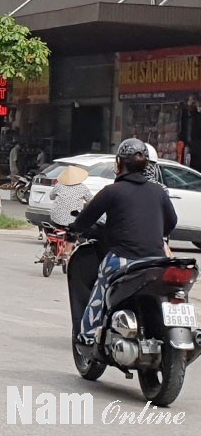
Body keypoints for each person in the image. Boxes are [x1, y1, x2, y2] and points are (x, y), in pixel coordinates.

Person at [69, 138, 177, 346]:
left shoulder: (111, 191)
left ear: (119, 163)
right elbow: (171, 224)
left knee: (101, 286)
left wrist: (73, 229)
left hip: (123, 259)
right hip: (157, 261)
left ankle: (88, 336)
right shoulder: (159, 192)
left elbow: (84, 221)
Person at [49, 166, 91, 258]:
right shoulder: (83, 188)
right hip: (72, 219)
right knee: (73, 233)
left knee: (55, 227)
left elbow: (51, 197)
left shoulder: (59, 185)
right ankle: (67, 252)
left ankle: (52, 245)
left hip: (56, 217)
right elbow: (90, 201)